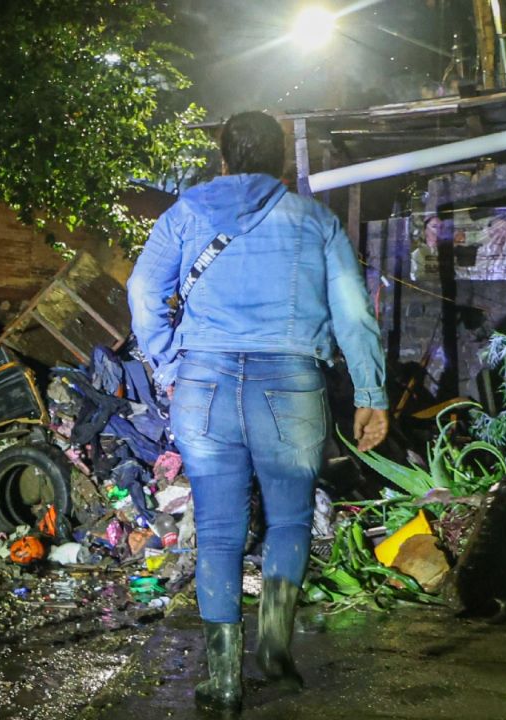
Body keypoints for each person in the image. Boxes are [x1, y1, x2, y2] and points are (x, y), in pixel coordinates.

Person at [127, 111, 389, 712]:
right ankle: (273, 648)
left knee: (217, 531)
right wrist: (371, 393)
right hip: (290, 387)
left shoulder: (185, 214)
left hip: (205, 386)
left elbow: (142, 293)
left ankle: (222, 680)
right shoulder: (314, 220)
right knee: (290, 519)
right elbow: (353, 313)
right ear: (281, 164)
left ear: (223, 158)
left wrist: (169, 366)